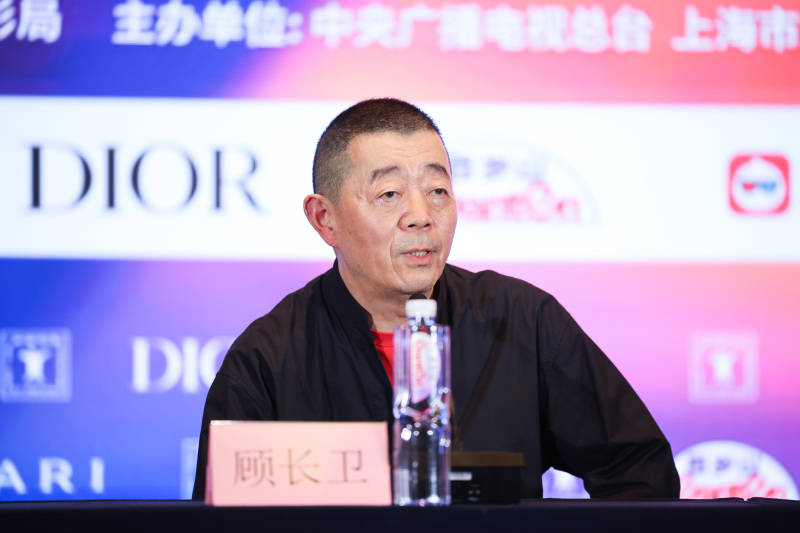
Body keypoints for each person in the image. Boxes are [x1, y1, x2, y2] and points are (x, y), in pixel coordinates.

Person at [192, 98, 680, 500]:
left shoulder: (522, 321)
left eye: (438, 190)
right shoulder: (267, 360)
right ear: (325, 219)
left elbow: (640, 472)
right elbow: (221, 524)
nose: (421, 215)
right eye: (389, 194)